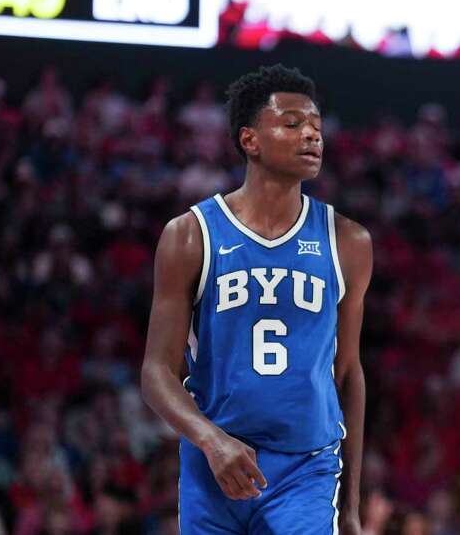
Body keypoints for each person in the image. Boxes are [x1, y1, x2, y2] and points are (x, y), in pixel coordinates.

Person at [141, 65, 371, 534]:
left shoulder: (347, 240)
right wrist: (210, 441)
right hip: (215, 461)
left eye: (316, 127)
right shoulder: (190, 235)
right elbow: (156, 372)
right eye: (291, 123)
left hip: (307, 468)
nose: (311, 135)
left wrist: (351, 504)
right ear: (250, 140)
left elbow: (348, 372)